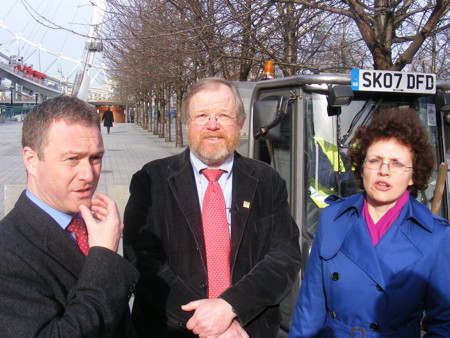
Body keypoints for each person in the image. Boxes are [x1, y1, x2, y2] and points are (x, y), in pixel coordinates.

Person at [123, 77, 301, 337]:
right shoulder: (150, 180)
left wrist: (231, 307)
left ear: (240, 124)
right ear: (187, 124)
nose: (213, 125)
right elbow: (140, 259)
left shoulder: (267, 180)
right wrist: (207, 321)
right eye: (202, 115)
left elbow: (284, 257)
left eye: (224, 115)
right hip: (170, 329)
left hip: (246, 329)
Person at [289, 107, 450, 337]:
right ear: (362, 166)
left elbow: (445, 324)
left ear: (413, 176)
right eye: (375, 160)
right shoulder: (333, 218)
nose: (384, 171)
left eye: (396, 163)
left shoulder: (436, 235)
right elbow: (310, 308)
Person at [0, 96, 139, 337]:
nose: (88, 174)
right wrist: (104, 257)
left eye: (95, 158)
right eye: (72, 159)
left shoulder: (86, 226)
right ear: (31, 160)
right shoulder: (7, 253)